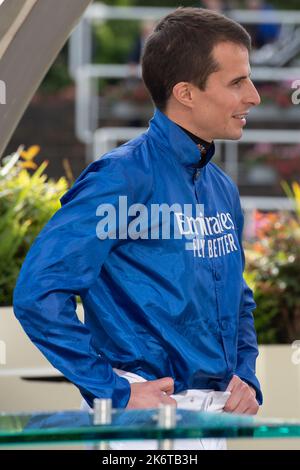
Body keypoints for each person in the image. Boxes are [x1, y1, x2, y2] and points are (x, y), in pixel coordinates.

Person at [14, 7, 262, 450]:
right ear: (186, 92)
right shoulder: (119, 178)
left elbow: (237, 298)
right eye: (237, 82)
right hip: (141, 428)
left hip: (211, 426)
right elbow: (38, 292)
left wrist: (246, 373)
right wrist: (115, 391)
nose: (254, 96)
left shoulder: (220, 187)